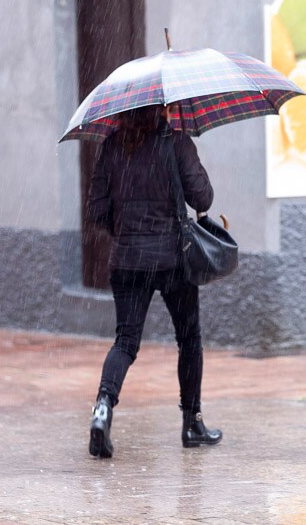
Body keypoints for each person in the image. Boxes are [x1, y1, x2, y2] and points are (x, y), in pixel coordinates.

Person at [84, 103, 223, 459]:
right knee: (189, 339)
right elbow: (203, 198)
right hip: (173, 260)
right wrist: (187, 154)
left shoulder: (112, 146)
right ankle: (192, 422)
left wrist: (128, 230)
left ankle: (103, 406)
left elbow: (97, 209)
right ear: (162, 108)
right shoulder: (176, 142)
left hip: (127, 260)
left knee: (126, 341)